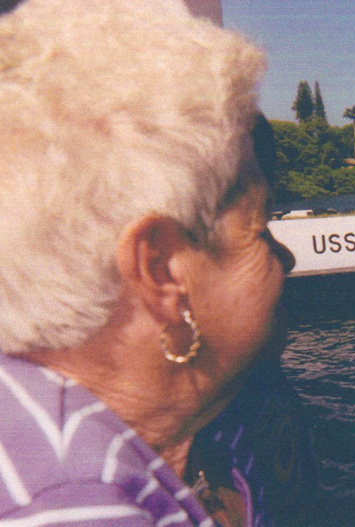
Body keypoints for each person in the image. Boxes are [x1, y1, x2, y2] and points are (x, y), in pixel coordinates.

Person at [0, 0, 300, 525]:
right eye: (260, 226)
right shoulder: (70, 503)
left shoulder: (199, 430)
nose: (287, 258)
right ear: (163, 272)